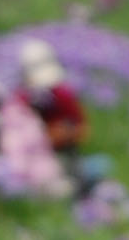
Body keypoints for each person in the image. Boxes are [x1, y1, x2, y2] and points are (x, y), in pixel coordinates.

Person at [17, 38, 87, 190]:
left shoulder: (61, 94)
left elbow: (80, 126)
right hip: (31, 155)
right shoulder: (22, 97)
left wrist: (54, 135)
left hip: (62, 150)